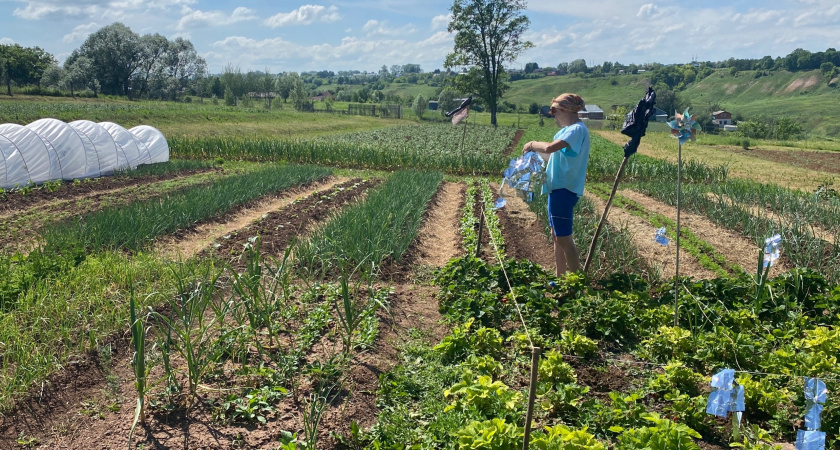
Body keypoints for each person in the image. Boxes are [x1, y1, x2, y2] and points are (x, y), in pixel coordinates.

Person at [521, 93, 591, 276]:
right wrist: (533, 158)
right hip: (557, 188)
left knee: (564, 239)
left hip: (564, 189)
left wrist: (531, 143)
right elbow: (552, 156)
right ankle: (559, 277)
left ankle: (577, 281)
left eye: (555, 111)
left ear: (565, 110)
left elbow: (549, 148)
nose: (554, 116)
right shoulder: (568, 131)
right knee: (556, 236)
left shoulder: (576, 130)